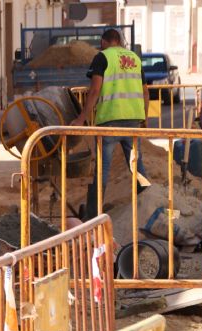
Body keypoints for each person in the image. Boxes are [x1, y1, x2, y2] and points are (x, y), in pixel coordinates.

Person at [70, 29, 151, 221]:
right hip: (132, 122)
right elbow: (145, 93)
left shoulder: (102, 57)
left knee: (102, 170)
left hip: (110, 121)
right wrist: (144, 120)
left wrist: (81, 118)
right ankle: (149, 205)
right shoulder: (135, 58)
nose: (100, 46)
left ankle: (92, 217)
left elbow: (95, 89)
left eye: (101, 43)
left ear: (106, 41)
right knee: (137, 167)